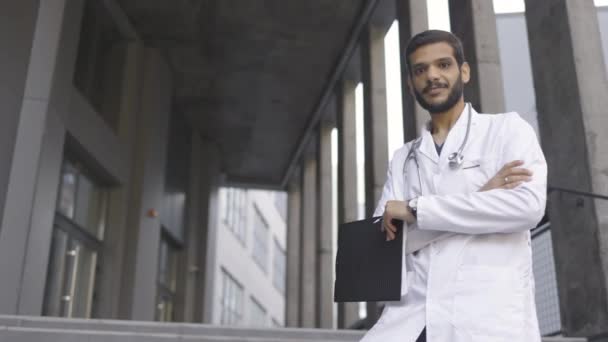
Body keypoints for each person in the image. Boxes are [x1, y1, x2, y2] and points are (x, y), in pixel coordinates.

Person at [360, 30, 547, 341]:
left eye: (443, 65)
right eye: (420, 70)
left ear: (464, 71)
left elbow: (526, 208)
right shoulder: (403, 158)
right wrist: (483, 198)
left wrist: (415, 209)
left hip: (485, 321)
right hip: (411, 323)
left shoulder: (507, 130)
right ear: (410, 83)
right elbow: (387, 247)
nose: (432, 76)